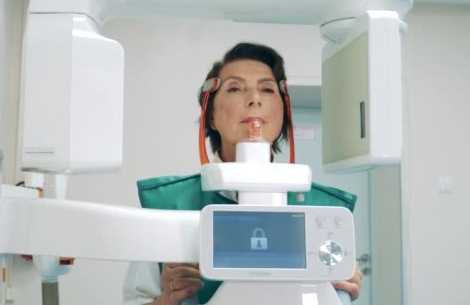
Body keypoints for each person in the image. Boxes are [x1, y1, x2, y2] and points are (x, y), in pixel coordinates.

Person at [123, 43, 363, 305]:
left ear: (283, 113)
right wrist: (167, 299)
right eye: (235, 88)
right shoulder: (167, 205)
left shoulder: (326, 210)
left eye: (267, 89)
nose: (254, 99)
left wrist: (343, 289)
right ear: (211, 115)